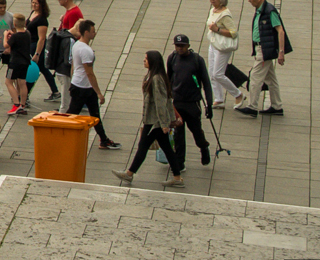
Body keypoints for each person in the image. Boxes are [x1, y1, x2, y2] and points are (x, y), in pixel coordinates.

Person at [112, 51, 184, 186]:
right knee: (165, 148)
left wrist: (164, 123)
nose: (144, 61)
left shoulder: (156, 79)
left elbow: (160, 101)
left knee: (143, 146)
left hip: (154, 121)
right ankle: (177, 177)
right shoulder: (151, 76)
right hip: (153, 120)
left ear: (153, 61)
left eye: (146, 59)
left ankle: (129, 174)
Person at [64, 19, 119, 149]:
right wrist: (99, 93)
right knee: (72, 113)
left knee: (94, 114)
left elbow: (73, 66)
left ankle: (104, 140)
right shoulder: (86, 50)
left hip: (81, 85)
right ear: (86, 32)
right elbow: (89, 73)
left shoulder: (77, 44)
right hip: (83, 87)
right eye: (93, 31)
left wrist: (73, 80)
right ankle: (61, 135)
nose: (95, 33)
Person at [164, 33, 214, 167]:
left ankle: (203, 147)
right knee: (178, 135)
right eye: (177, 45)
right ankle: (179, 162)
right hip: (177, 102)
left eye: (182, 46)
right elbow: (168, 79)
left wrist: (209, 104)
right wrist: (167, 100)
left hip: (192, 103)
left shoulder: (197, 60)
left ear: (188, 46)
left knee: (196, 132)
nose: (180, 48)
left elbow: (206, 83)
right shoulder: (172, 58)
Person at [239, 0, 289, 116]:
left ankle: (252, 107)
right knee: (271, 80)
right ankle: (277, 106)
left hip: (264, 50)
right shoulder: (260, 9)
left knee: (255, 78)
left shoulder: (269, 11)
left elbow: (280, 31)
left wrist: (281, 52)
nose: (249, 1)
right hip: (261, 48)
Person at [204, 0, 239, 110]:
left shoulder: (225, 15)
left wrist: (217, 30)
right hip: (214, 44)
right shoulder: (212, 10)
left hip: (222, 47)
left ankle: (238, 94)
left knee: (218, 74)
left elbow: (233, 33)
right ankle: (219, 99)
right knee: (211, 73)